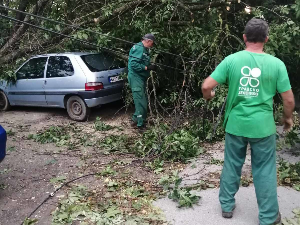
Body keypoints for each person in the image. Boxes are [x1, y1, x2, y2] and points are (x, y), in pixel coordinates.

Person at [202, 18, 295, 225]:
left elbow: (207, 86)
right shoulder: (276, 64)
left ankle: (226, 206)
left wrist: (209, 96)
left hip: (236, 124)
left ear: (244, 37)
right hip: (263, 127)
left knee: (232, 164)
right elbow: (288, 99)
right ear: (266, 39)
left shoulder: (232, 60)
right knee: (264, 169)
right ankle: (269, 217)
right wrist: (287, 119)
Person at [128, 34, 157, 130]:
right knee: (141, 103)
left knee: (141, 100)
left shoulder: (144, 50)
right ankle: (140, 125)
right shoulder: (139, 48)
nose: (152, 46)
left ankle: (135, 120)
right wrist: (147, 67)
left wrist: (150, 66)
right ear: (148, 41)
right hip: (136, 78)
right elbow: (133, 64)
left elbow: (141, 62)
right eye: (152, 44)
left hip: (140, 79)